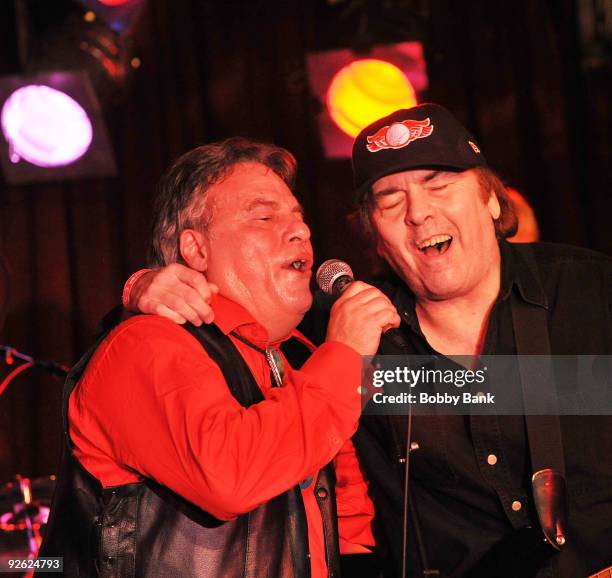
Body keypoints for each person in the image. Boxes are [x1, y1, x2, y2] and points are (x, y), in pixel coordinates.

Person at [123, 105, 611, 578]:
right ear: (374, 234)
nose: (419, 212)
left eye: (440, 185)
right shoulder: (340, 327)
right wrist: (146, 284)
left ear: (489, 198)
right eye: (390, 201)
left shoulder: (590, 293)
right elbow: (239, 315)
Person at [38, 137, 400, 577]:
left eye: (298, 219)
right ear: (196, 250)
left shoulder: (295, 360)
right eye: (264, 216)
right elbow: (230, 477)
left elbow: (345, 521)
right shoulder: (146, 344)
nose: (301, 231)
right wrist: (344, 354)